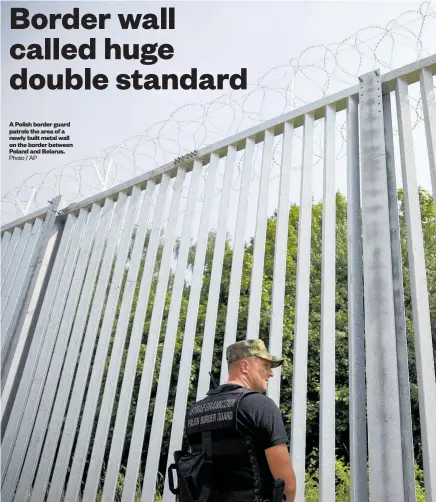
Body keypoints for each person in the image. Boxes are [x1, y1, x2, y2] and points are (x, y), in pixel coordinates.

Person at [169, 339, 296, 502]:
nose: (271, 373)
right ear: (244, 366)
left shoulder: (195, 411)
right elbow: (287, 486)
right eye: (265, 366)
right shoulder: (261, 406)